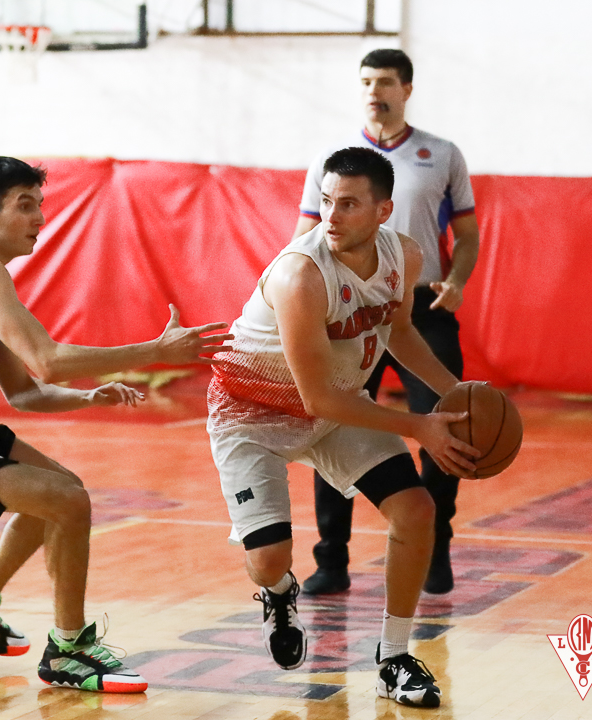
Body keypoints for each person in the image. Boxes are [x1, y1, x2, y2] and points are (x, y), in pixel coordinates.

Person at [0, 156, 232, 694]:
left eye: (41, 205)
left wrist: (90, 396)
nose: (39, 218)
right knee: (67, 502)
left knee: (62, 491)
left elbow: (27, 391)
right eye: (25, 205)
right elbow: (47, 358)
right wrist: (157, 349)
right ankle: (69, 651)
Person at [207, 147, 479, 708]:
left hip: (334, 407)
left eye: (348, 204)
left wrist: (452, 391)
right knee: (269, 561)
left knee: (417, 509)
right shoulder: (299, 274)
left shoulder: (403, 255)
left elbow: (399, 331)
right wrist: (418, 426)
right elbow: (318, 397)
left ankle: (394, 656)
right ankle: (280, 594)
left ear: (384, 210)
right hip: (251, 413)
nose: (330, 215)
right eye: (326, 201)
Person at [293, 49, 481, 596]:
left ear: (407, 89)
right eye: (366, 82)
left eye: (386, 82)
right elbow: (304, 237)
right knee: (332, 423)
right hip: (345, 306)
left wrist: (459, 280)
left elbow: (466, 235)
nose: (375, 91)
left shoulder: (441, 154)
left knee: (447, 419)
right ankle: (332, 558)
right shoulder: (331, 159)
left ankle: (434, 544)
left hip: (422, 305)